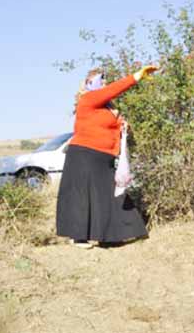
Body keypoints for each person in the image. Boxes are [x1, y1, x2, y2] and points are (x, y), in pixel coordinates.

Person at [56, 65, 158, 249]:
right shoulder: (88, 98)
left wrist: (122, 125)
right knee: (82, 196)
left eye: (105, 79)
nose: (105, 82)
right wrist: (136, 76)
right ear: (90, 83)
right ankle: (78, 237)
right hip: (83, 154)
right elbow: (114, 89)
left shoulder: (106, 108)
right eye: (101, 79)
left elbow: (109, 125)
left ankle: (110, 236)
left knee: (107, 195)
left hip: (103, 156)